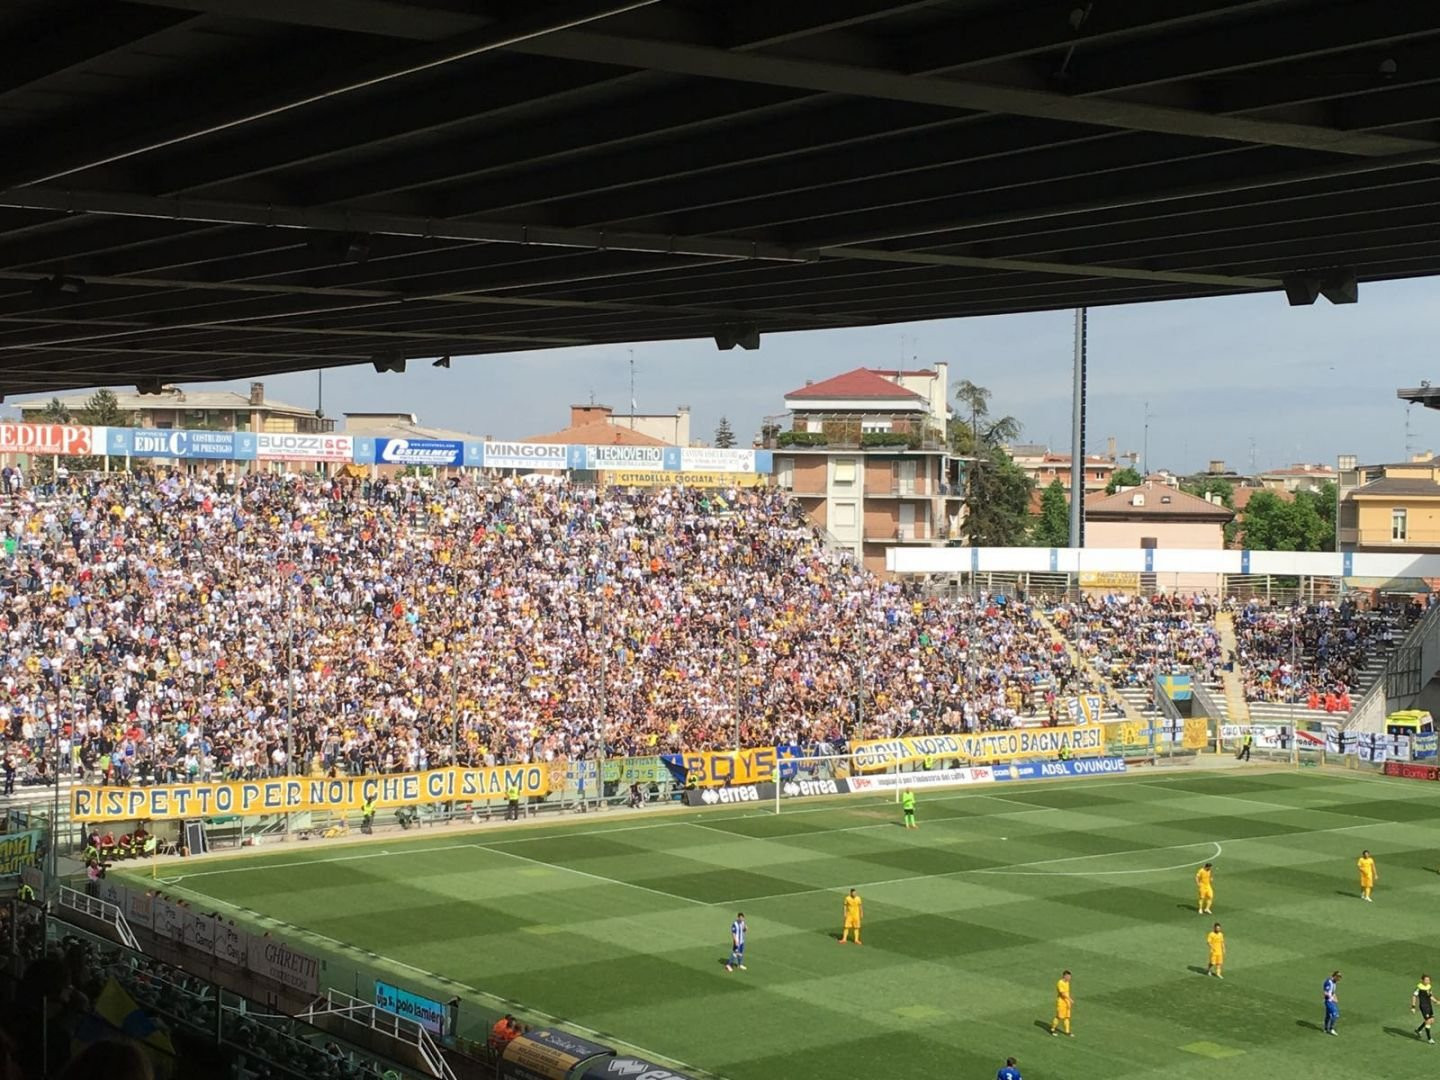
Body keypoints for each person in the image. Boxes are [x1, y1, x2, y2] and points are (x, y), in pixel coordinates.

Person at [1413, 974, 1435, 1043]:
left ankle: (1419, 1030)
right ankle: (1429, 1039)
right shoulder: (1419, 987)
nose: (1428, 981)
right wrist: (1413, 1006)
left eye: (1428, 980)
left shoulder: (1429, 986)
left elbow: (1430, 996)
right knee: (1428, 1021)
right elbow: (1414, 996)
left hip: (1429, 1005)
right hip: (1423, 1006)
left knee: (1432, 1020)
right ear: (1422, 980)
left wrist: (1436, 1001)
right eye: (1426, 980)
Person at [1049, 969, 1073, 1037]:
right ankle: (1052, 1029)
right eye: (1068, 976)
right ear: (1064, 976)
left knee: (1067, 1017)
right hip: (1061, 1002)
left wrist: (1069, 1002)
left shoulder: (1067, 982)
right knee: (1059, 1017)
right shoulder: (1060, 983)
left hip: (1067, 1002)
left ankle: (1067, 1031)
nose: (1070, 978)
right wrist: (1070, 999)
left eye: (1070, 977)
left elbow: (1067, 992)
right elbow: (1062, 993)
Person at [1322, 971, 1340, 1035]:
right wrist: (1332, 998)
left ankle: (1325, 1028)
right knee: (1335, 1015)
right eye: (1338, 977)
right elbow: (1325, 993)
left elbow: (1332, 992)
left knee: (1328, 1016)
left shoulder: (1334, 983)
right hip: (1328, 1001)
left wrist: (1335, 997)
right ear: (1334, 976)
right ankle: (1331, 1029)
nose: (1339, 979)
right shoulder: (1328, 982)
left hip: (1331, 1001)